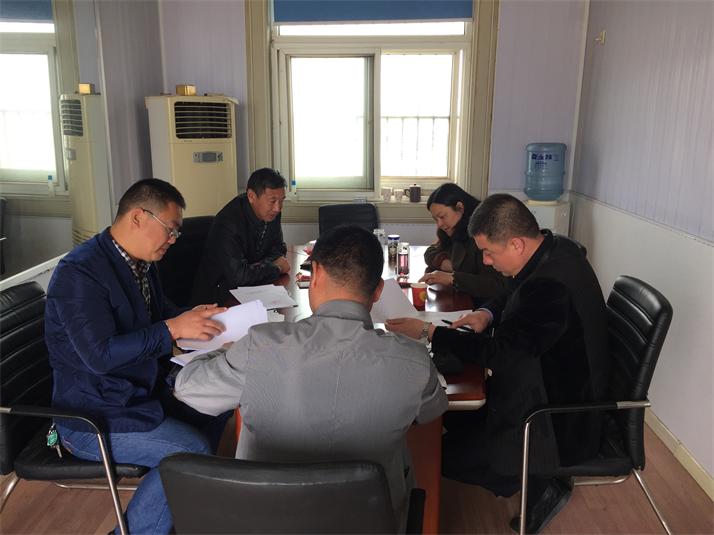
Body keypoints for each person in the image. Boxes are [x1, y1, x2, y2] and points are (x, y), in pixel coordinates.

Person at [175, 225, 448, 525]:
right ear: (379, 290)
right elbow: (431, 411)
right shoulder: (413, 360)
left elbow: (188, 389)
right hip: (369, 522)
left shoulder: (260, 346)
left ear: (315, 274)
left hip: (266, 521)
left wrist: (226, 351)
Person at [386, 193, 611, 534]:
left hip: (556, 422)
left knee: (433, 455)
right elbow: (512, 288)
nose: (486, 261)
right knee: (449, 422)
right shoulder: (554, 249)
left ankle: (541, 482)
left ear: (517, 244)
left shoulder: (550, 287)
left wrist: (430, 332)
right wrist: (486, 313)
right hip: (551, 386)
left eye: (489, 252)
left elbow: (501, 354)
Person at [46, 179, 229, 535]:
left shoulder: (140, 264)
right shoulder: (79, 273)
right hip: (92, 417)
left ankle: (178, 510)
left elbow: (160, 315)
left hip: (137, 395)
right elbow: (100, 356)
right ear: (138, 217)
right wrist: (173, 329)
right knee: (189, 450)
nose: (173, 239)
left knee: (219, 402)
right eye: (170, 229)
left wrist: (194, 318)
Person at [191, 167, 289, 305]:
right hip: (218, 298)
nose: (278, 208)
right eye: (272, 201)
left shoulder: (272, 213)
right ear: (251, 196)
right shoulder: (228, 222)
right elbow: (239, 276)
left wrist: (258, 268)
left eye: (282, 201)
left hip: (253, 290)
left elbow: (279, 250)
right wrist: (275, 268)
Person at [420, 183, 507, 303]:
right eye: (436, 219)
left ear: (460, 207)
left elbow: (496, 284)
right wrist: (444, 262)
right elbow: (430, 251)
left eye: (442, 217)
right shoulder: (452, 228)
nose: (439, 224)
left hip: (485, 305)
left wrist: (452, 278)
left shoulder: (483, 232)